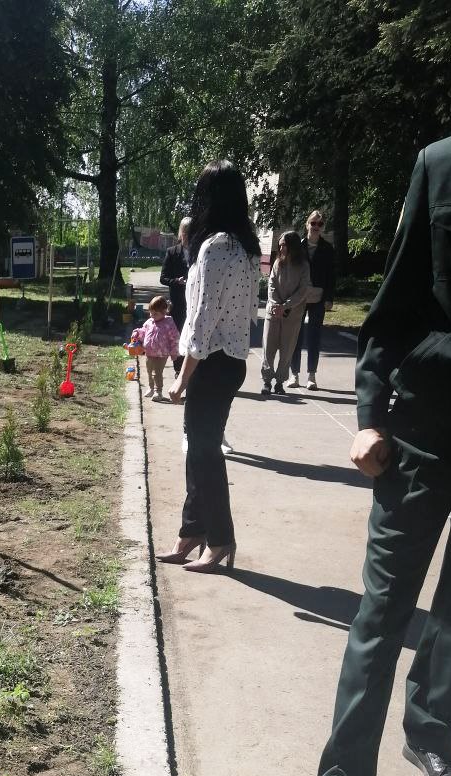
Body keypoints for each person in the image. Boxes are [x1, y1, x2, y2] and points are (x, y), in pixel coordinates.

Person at [292, 134, 451, 776]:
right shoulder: (442, 165)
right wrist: (368, 417)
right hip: (422, 428)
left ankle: (430, 734)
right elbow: (392, 309)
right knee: (382, 611)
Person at [158, 160, 260, 573]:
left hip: (212, 362)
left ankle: (220, 541)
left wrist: (182, 378)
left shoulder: (217, 247)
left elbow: (202, 318)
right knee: (197, 451)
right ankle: (192, 532)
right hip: (228, 360)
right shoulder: (246, 248)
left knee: (204, 452)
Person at [286, 210, 335, 390]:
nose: (316, 227)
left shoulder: (327, 249)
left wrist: (329, 298)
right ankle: (294, 374)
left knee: (314, 336)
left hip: (318, 297)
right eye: (313, 223)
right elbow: (291, 273)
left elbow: (331, 276)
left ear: (323, 228)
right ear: (307, 225)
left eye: (319, 224)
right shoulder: (298, 247)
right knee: (295, 335)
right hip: (299, 297)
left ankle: (312, 375)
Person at [261, 231, 311, 395]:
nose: (281, 248)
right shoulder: (277, 263)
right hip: (273, 311)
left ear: (293, 247)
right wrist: (275, 304)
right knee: (269, 348)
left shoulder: (303, 265)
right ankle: (267, 381)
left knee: (287, 349)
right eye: (280, 245)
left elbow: (303, 290)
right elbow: (272, 284)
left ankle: (280, 382)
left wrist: (287, 305)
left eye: (284, 245)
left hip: (292, 314)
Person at [160, 217, 192, 374]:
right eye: (185, 232)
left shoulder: (199, 252)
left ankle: (190, 369)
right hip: (177, 303)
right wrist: (176, 281)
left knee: (192, 336)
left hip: (193, 303)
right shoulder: (172, 252)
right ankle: (178, 369)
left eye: (190, 232)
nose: (187, 235)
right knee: (178, 336)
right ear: (181, 233)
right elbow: (163, 278)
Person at [138, 295, 181, 400]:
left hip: (162, 353)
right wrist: (137, 334)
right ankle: (151, 388)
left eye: (155, 314)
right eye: (151, 313)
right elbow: (143, 332)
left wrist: (174, 352)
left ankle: (158, 391)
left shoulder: (168, 323)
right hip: (149, 352)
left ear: (164, 311)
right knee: (149, 371)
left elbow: (174, 338)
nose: (152, 316)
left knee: (157, 372)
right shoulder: (150, 322)